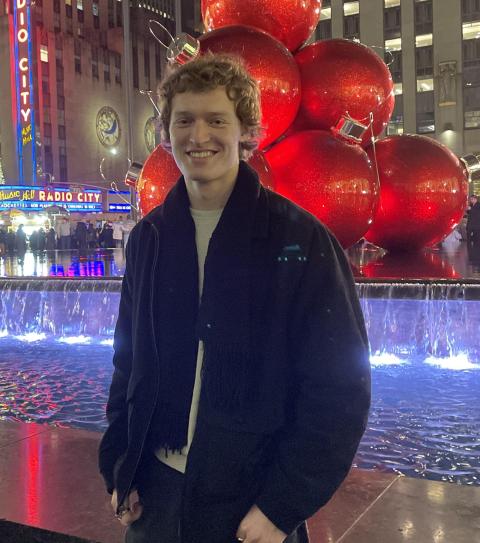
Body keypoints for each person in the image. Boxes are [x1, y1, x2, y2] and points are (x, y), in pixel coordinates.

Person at [98, 54, 371, 543]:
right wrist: (122, 464)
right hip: (153, 502)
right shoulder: (149, 239)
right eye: (184, 120)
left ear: (247, 131)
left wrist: (280, 507)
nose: (198, 136)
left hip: (252, 505)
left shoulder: (301, 240)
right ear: (167, 133)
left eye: (216, 120)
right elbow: (128, 362)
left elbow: (340, 389)